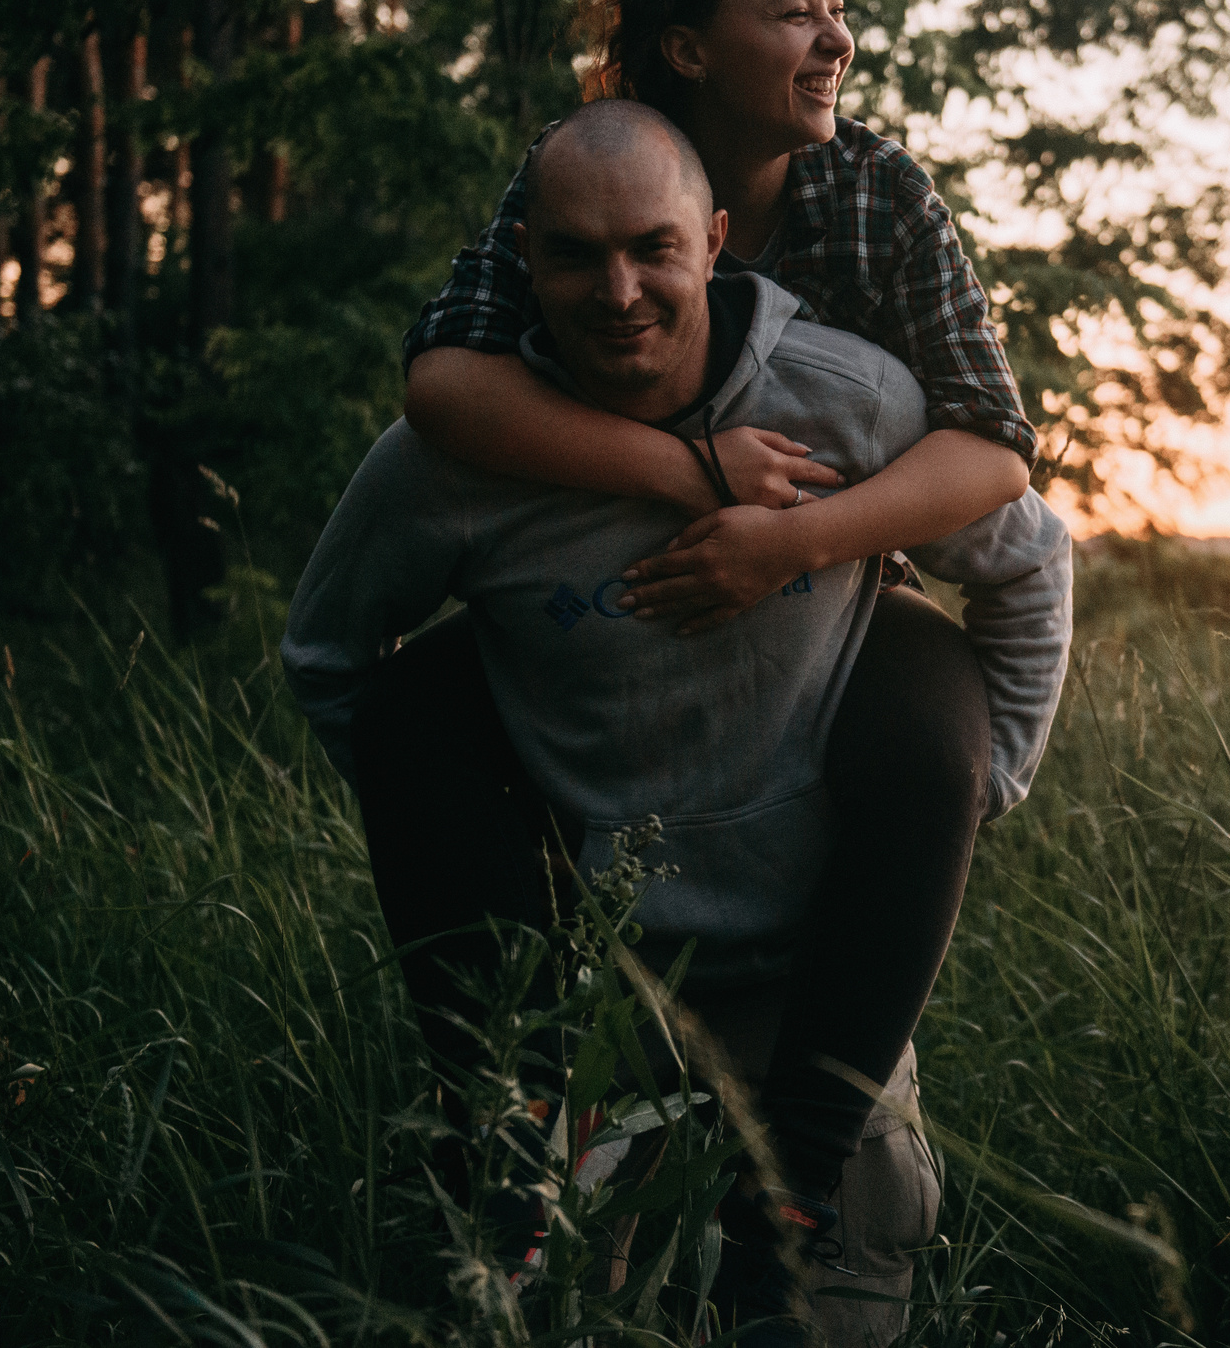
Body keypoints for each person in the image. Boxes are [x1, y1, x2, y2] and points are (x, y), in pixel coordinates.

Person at [283, 101, 1073, 1340]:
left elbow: (1023, 557)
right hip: (582, 996)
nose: (617, 290)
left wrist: (980, 789)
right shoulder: (452, 458)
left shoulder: (843, 402)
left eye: (653, 247)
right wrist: (466, 836)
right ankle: (513, 1164)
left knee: (803, 1321)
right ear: (523, 261)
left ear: (713, 240)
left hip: (820, 988)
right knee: (547, 1315)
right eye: (574, 255)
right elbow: (334, 659)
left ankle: (795, 1219)